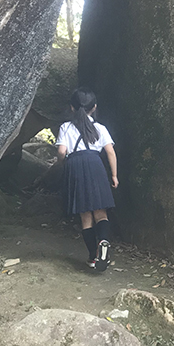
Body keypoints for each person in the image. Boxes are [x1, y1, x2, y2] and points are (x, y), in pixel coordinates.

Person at [56, 87, 118, 271]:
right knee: (101, 213)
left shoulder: (66, 127)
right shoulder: (100, 128)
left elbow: (61, 151)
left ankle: (92, 257)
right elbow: (110, 152)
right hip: (95, 164)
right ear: (94, 107)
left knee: (85, 216)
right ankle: (104, 242)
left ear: (72, 108)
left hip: (75, 165)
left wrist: (62, 163)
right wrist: (114, 175)